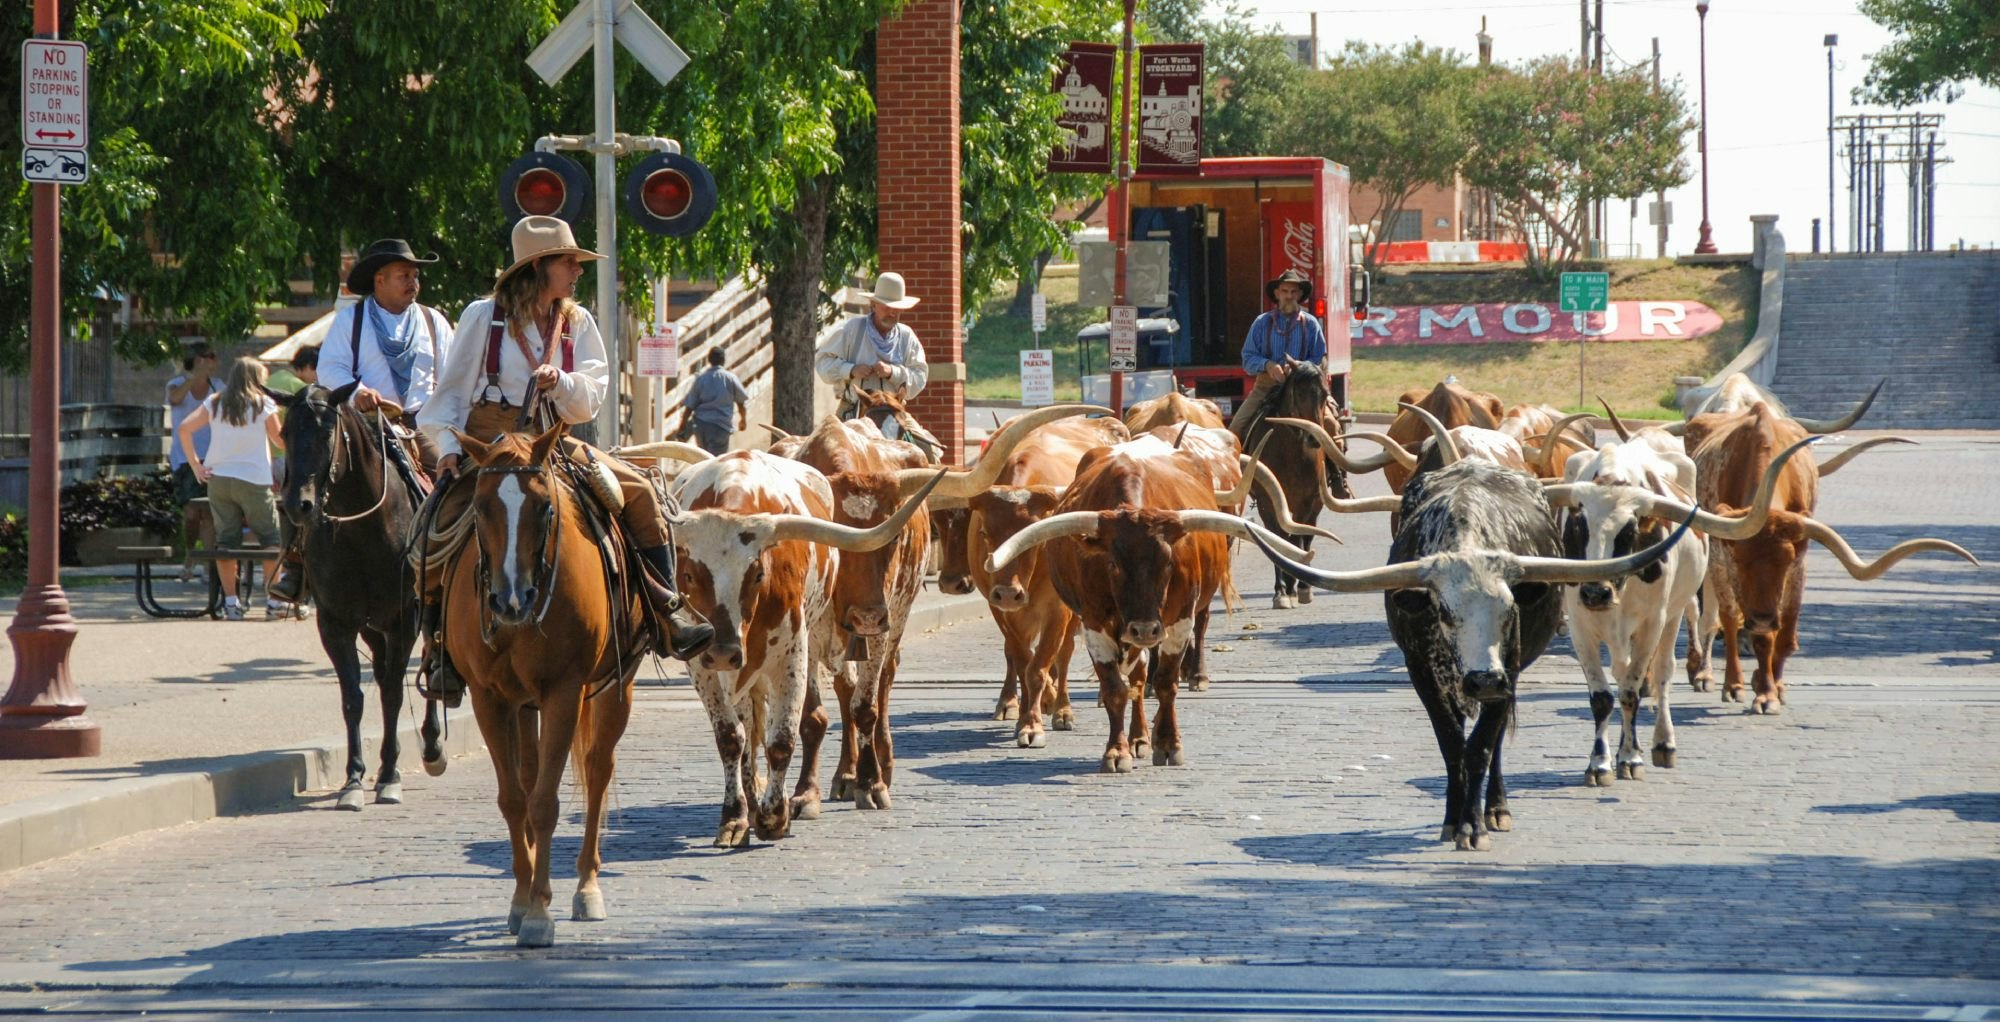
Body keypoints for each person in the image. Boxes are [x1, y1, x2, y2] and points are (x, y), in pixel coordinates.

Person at [415, 215, 713, 704]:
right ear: (538, 267)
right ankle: (441, 648)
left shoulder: (578, 322)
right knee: (432, 528)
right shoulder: (481, 317)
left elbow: (591, 395)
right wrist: (448, 451)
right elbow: (448, 396)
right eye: (568, 261)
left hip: (552, 442)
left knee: (637, 493)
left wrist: (565, 382)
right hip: (489, 447)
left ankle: (666, 611)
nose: (577, 270)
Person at [315, 238, 453, 474]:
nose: (413, 283)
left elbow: (454, 375)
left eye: (415, 276)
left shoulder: (434, 321)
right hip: (366, 425)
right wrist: (358, 393)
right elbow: (329, 369)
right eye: (404, 276)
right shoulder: (350, 320)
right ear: (380, 280)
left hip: (422, 426)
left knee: (451, 481)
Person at [177, 357, 286, 621]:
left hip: (219, 478)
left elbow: (184, 428)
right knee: (270, 541)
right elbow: (279, 441)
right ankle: (273, 601)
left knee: (226, 542)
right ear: (255, 379)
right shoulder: (263, 404)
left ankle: (231, 603)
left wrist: (196, 466)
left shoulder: (215, 402)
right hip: (254, 479)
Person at [814, 271, 929, 432]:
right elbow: (822, 362)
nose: (892, 313)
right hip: (853, 412)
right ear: (873, 305)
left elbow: (920, 376)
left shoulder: (906, 336)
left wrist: (893, 372)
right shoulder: (852, 329)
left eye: (896, 308)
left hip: (895, 415)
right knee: (826, 451)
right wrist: (851, 370)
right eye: (887, 306)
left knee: (928, 452)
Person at [1228, 268, 1329, 440]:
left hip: (1304, 391)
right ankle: (1240, 466)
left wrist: (1301, 368)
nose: (1288, 296)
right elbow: (1248, 358)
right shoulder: (1262, 323)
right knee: (1235, 430)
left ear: (1299, 294)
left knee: (1331, 427)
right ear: (1277, 294)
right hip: (1266, 388)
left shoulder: (1311, 324)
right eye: (1284, 291)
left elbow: (1321, 359)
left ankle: (1334, 466)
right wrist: (1268, 365)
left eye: (1293, 291)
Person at [166, 344, 221, 581]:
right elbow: (175, 399)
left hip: (213, 458)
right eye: (206, 356)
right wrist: (193, 378)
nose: (211, 361)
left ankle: (208, 565)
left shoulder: (219, 387)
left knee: (208, 513)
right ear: (195, 359)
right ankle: (190, 555)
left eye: (212, 356)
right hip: (184, 458)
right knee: (190, 514)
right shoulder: (176, 383)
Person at [672, 347, 749, 456]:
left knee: (704, 458)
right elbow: (741, 402)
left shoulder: (701, 379)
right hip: (721, 427)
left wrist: (682, 427)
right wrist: (743, 421)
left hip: (701, 426)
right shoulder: (730, 378)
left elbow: (689, 406)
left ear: (709, 360)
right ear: (723, 360)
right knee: (716, 461)